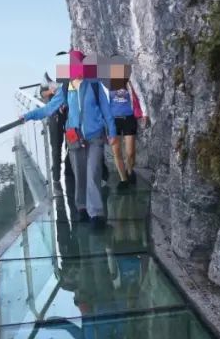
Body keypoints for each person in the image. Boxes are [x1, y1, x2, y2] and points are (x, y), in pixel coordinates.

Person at [21, 50, 118, 225]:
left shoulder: (94, 85)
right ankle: (81, 207)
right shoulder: (66, 89)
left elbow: (106, 110)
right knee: (80, 175)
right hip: (74, 139)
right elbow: (48, 109)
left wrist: (112, 131)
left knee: (93, 173)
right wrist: (27, 116)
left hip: (95, 136)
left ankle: (96, 213)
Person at [105, 57, 148, 191]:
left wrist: (145, 113)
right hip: (113, 120)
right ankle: (123, 180)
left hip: (128, 118)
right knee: (116, 151)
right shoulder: (106, 83)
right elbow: (104, 103)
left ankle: (130, 171)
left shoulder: (129, 78)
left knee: (130, 152)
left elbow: (139, 94)